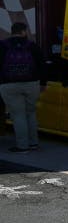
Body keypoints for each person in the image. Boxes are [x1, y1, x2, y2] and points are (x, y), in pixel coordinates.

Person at [0, 22, 46, 153]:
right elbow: (42, 65)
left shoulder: (2, 46)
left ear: (12, 31)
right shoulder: (32, 46)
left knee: (18, 115)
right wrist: (43, 83)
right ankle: (33, 143)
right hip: (32, 84)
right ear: (24, 32)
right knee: (31, 113)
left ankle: (22, 146)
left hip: (9, 85)